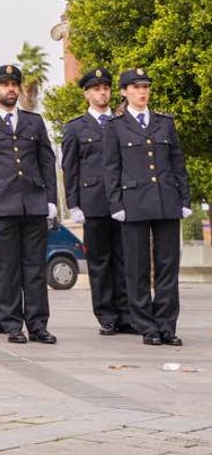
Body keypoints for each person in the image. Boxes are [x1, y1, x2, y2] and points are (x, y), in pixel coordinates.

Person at [0, 64, 58, 345]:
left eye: (14, 84)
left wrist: (51, 200)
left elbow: (47, 162)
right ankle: (12, 324)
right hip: (1, 206)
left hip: (33, 203)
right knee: (6, 269)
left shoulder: (34, 121)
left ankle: (38, 324)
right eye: (5, 84)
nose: (11, 89)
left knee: (35, 268)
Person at [103, 68, 191, 346]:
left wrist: (184, 199)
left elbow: (178, 164)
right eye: (136, 87)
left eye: (146, 87)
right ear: (124, 91)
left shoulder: (165, 123)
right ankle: (146, 326)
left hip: (166, 201)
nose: (142, 92)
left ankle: (167, 325)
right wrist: (116, 203)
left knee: (168, 266)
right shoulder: (115, 126)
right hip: (134, 204)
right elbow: (111, 168)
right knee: (137, 268)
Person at [62, 68, 132, 335]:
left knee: (124, 259)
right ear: (87, 94)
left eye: (106, 88)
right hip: (93, 201)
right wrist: (74, 204)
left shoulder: (121, 122)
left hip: (123, 202)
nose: (102, 93)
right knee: (100, 262)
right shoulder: (76, 127)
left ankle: (126, 314)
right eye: (96, 89)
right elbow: (70, 167)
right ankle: (106, 315)